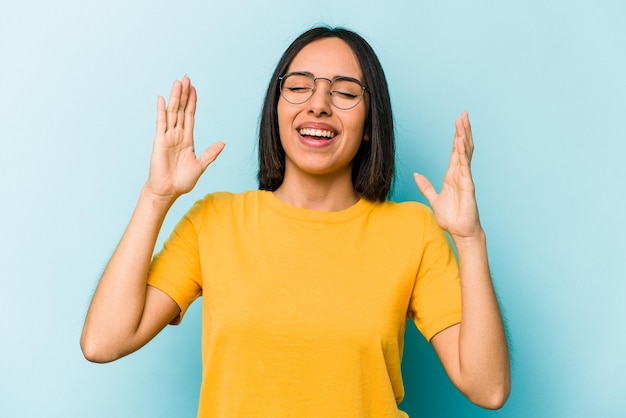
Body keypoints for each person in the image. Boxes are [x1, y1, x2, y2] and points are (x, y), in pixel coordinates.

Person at [81, 26, 510, 417]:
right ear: (277, 110)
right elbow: (103, 342)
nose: (318, 105)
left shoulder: (412, 231)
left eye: (344, 92)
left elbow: (488, 388)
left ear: (368, 125)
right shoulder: (215, 221)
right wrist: (156, 197)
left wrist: (470, 239)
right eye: (300, 87)